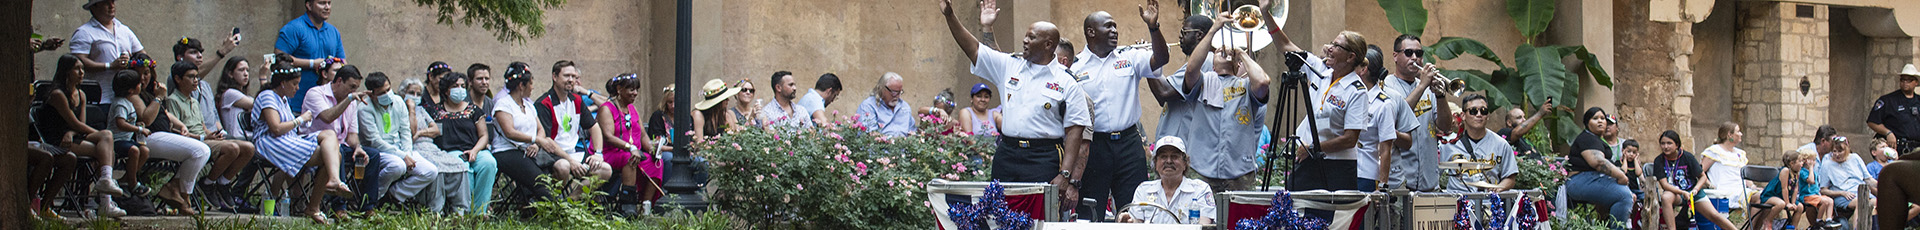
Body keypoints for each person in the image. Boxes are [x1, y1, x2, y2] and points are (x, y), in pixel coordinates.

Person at [943, 0, 1091, 214]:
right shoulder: (1010, 65)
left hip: (1044, 157)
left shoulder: (1067, 82)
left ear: (1049, 44)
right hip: (1008, 154)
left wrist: (1065, 175)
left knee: (1040, 218)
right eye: (1026, 35)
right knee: (1000, 216)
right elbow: (974, 49)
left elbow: (1075, 133)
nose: (1024, 40)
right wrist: (950, 16)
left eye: (1032, 37)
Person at [1067, 0, 1168, 219]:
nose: (1115, 31)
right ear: (1091, 32)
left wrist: (1153, 28)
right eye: (1109, 26)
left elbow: (1161, 58)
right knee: (1090, 211)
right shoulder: (1075, 68)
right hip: (1095, 147)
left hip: (1129, 144)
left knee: (1134, 210)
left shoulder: (1129, 57)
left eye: (1115, 26)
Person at [1266, 0, 1374, 195]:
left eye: (1336, 46)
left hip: (1337, 166)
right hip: (1310, 159)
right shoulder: (1320, 69)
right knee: (1292, 207)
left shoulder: (1356, 90)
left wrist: (1313, 148)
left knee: (1332, 221)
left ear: (1350, 57)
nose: (1329, 48)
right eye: (1331, 43)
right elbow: (1287, 46)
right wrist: (1267, 15)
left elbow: (1350, 139)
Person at [1155, 19, 1269, 193]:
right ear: (1212, 65)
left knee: (1239, 220)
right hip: (1201, 170)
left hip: (1239, 172)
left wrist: (1241, 53)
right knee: (1200, 219)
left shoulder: (1247, 87)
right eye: (1216, 52)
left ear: (1238, 64)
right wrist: (1214, 29)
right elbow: (1192, 69)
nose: (1222, 51)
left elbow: (1262, 81)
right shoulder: (1202, 83)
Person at [251, 62, 354, 224]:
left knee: (329, 136)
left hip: (288, 140)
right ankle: (313, 207)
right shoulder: (267, 96)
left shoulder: (283, 99)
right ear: (283, 83)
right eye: (294, 84)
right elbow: (276, 129)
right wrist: (300, 119)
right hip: (271, 143)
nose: (298, 88)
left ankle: (334, 180)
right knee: (333, 155)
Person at [119, 57, 217, 215]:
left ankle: (178, 192)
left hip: (163, 135)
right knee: (201, 151)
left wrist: (181, 125)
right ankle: (179, 192)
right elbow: (147, 118)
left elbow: (165, 114)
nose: (144, 78)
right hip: (147, 139)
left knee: (202, 151)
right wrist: (159, 97)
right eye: (139, 75)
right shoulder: (133, 95)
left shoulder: (150, 93)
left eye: (146, 73)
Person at [36, 54, 127, 217]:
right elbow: (75, 122)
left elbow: (80, 124)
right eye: (77, 69)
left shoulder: (81, 94)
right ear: (66, 72)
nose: (81, 72)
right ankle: (106, 199)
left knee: (106, 140)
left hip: (72, 136)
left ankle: (105, 189)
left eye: (82, 69)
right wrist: (87, 132)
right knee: (106, 146)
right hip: (57, 139)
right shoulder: (57, 94)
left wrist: (72, 132)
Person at [164, 61, 254, 211]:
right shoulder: (173, 100)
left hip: (204, 139)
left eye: (197, 77)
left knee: (249, 148)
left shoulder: (194, 100)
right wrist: (203, 138)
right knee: (232, 148)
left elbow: (202, 126)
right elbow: (177, 131)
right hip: (192, 142)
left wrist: (210, 134)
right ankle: (207, 183)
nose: (196, 81)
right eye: (191, 77)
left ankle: (223, 182)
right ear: (178, 79)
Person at [1381, 34, 1454, 192]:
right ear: (1395, 56)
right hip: (1400, 182)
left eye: (1419, 54)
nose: (1415, 58)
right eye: (1408, 53)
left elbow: (1446, 126)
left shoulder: (1428, 88)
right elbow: (1398, 119)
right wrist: (1422, 86)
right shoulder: (1386, 86)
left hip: (1429, 182)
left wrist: (1440, 96)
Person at [492, 62, 573, 201]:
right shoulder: (503, 104)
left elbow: (540, 129)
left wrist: (536, 144)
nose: (533, 87)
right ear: (521, 85)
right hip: (507, 151)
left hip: (530, 149)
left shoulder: (528, 105)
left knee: (557, 168)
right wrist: (536, 140)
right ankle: (556, 211)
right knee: (541, 182)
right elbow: (510, 132)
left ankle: (544, 206)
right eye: (530, 83)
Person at [358, 72, 438, 211]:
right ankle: (371, 199)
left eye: (388, 89)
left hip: (401, 148)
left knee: (430, 171)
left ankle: (393, 194)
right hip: (379, 151)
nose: (388, 94)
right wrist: (403, 156)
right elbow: (374, 141)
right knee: (398, 166)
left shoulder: (398, 101)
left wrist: (407, 153)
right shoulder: (364, 108)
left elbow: (405, 131)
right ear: (371, 94)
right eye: (382, 92)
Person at [301, 64, 371, 213]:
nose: (353, 91)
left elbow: (352, 136)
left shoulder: (350, 101)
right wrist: (350, 99)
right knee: (337, 151)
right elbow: (327, 117)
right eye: (351, 87)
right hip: (314, 143)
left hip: (339, 143)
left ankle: (368, 208)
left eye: (356, 88)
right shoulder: (316, 93)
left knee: (373, 156)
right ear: (339, 81)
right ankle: (340, 208)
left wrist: (358, 147)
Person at [597, 73, 663, 209]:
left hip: (634, 151)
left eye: (636, 90)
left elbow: (643, 134)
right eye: (631, 89)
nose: (635, 93)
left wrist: (651, 148)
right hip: (611, 153)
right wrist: (630, 147)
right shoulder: (606, 108)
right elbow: (608, 137)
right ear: (619, 89)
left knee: (656, 162)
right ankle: (628, 203)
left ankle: (646, 204)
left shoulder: (632, 109)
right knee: (630, 158)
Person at [1115, 136, 1216, 224]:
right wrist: (1129, 222)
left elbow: (1204, 225)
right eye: (1163, 157)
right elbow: (1137, 223)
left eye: (1174, 157)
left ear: (1185, 163)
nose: (1168, 161)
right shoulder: (1143, 190)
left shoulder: (1200, 190)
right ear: (1156, 164)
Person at [415, 73, 477, 214]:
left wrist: (421, 133)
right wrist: (411, 110)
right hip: (417, 148)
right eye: (455, 86)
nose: (414, 96)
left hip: (431, 146)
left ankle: (460, 211)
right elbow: (413, 132)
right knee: (438, 167)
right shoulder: (429, 110)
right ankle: (435, 210)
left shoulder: (422, 110)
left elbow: (435, 130)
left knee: (461, 166)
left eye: (418, 93)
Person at [1649, 130, 1736, 230]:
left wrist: (1696, 190)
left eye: (1669, 143)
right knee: (1666, 197)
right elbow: (1664, 185)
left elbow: (1703, 177)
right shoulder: (1659, 160)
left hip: (1693, 192)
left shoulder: (1687, 157)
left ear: (1677, 145)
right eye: (1663, 143)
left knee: (1714, 215)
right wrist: (1682, 192)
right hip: (1676, 193)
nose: (1666, 146)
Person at [274, 0, 345, 113]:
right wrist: (312, 64)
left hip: (327, 105)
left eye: (329, 3)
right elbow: (280, 58)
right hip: (296, 103)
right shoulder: (294, 28)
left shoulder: (333, 31)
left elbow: (343, 62)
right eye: (322, 3)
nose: (327, 7)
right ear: (309, 5)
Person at [1565, 107, 1634, 224]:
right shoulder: (1587, 138)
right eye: (1595, 118)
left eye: (1602, 118)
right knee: (1624, 196)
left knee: (1626, 194)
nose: (1600, 121)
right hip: (1579, 181)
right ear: (1587, 123)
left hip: (1592, 179)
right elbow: (1598, 162)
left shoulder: (1596, 139)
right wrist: (1621, 176)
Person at [70, 0, 145, 104]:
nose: (111, 6)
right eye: (106, 3)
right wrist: (109, 66)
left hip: (127, 98)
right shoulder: (84, 32)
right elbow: (78, 61)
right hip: (101, 98)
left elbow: (142, 54)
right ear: (94, 7)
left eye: (112, 2)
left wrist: (132, 63)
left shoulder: (124, 30)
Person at [1440, 94, 1517, 193]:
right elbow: (1434, 174)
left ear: (1487, 116)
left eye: (1483, 111)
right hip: (1457, 204)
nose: (1479, 114)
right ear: (1463, 115)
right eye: (1473, 111)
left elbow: (1510, 177)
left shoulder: (1501, 144)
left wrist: (1499, 187)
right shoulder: (1450, 144)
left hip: (1489, 203)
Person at [1815, 135, 1877, 224]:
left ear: (1847, 149)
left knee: (1877, 203)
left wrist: (1883, 185)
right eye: (1834, 151)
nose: (1837, 154)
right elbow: (1823, 190)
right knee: (1861, 203)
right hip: (1843, 195)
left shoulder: (1855, 158)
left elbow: (1868, 179)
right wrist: (1842, 193)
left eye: (1840, 151)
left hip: (1860, 191)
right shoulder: (1827, 164)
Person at [1697, 121, 1752, 209]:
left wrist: (1753, 186)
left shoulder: (1740, 153)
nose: (1741, 134)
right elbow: (1699, 171)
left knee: (1764, 197)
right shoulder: (1715, 151)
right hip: (1724, 190)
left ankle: (1756, 223)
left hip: (1741, 189)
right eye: (1738, 131)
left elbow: (1744, 175)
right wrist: (1709, 185)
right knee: (1756, 198)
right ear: (1730, 135)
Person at [1870, 64, 1920, 153]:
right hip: (1895, 148)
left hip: (1916, 149)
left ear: (1916, 82)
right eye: (1903, 79)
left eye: (1909, 80)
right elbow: (1872, 122)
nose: (1905, 82)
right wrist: (1888, 133)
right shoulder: (1888, 100)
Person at [1756, 150, 1810, 230]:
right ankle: (1768, 221)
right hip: (1772, 195)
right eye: (1800, 161)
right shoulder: (1785, 171)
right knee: (1781, 204)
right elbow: (1784, 188)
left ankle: (1793, 227)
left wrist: (1793, 203)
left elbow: (1795, 188)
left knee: (1800, 207)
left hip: (1783, 197)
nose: (1802, 163)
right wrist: (1788, 203)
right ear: (1792, 163)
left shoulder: (1797, 172)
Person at [856, 72, 916, 137]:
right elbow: (869, 135)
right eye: (894, 92)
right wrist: (894, 141)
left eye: (900, 92)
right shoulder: (869, 106)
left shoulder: (904, 106)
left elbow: (912, 131)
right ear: (882, 89)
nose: (898, 96)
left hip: (904, 146)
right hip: (879, 146)